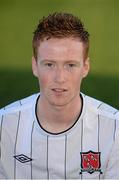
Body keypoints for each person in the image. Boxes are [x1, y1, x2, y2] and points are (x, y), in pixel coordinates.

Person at [0, 12, 119, 179]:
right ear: (35, 66)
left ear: (85, 67)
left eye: (70, 65)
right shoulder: (4, 125)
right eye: (49, 64)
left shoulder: (115, 129)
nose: (60, 78)